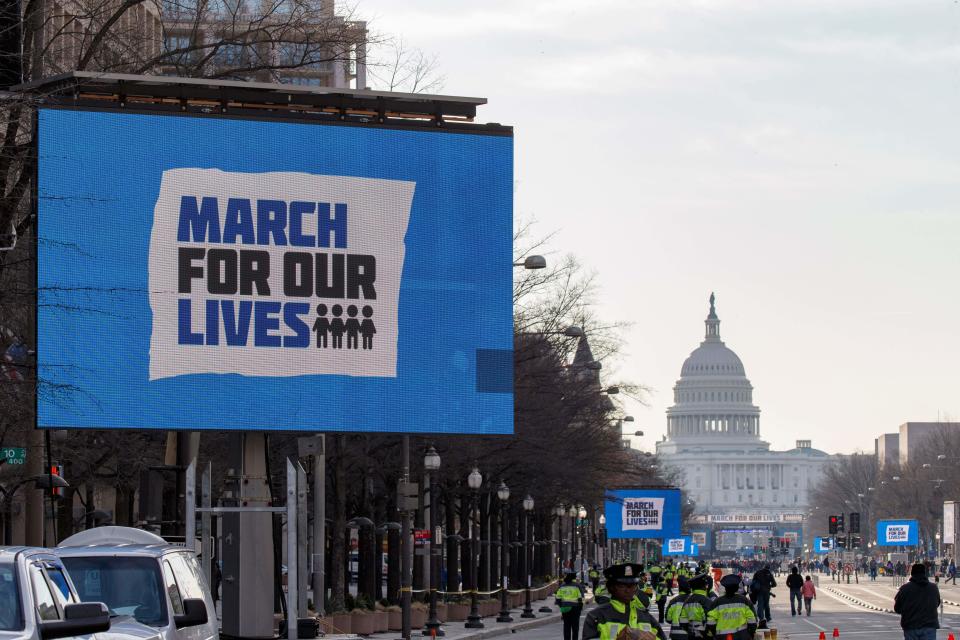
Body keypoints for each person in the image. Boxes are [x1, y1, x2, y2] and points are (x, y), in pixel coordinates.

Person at [583, 563, 667, 640]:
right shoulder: (596, 617)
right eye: (622, 586)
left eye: (632, 586)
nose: (628, 590)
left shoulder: (648, 618)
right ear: (611, 587)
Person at [894, 563, 941, 640]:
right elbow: (937, 603)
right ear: (924, 573)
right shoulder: (933, 588)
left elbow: (897, 608)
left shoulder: (905, 588)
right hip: (929, 626)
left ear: (912, 573)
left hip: (910, 626)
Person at [705, 574, 758, 640]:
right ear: (737, 588)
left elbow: (710, 623)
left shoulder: (717, 602)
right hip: (742, 636)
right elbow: (752, 621)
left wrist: (715, 634)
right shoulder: (744, 601)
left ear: (725, 588)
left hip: (721, 637)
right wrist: (750, 634)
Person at [680, 574, 712, 639]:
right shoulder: (706, 601)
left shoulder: (687, 601)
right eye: (706, 585)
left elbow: (682, 622)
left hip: (691, 635)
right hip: (704, 636)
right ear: (703, 587)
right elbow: (710, 621)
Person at [557, 569, 586, 640]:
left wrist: (561, 606)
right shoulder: (577, 586)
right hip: (575, 609)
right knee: (575, 627)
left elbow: (558, 599)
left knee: (566, 626)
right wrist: (581, 607)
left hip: (565, 608)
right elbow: (581, 598)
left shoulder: (562, 586)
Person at [751, 564, 776, 628]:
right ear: (769, 568)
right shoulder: (769, 573)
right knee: (766, 604)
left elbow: (753, 582)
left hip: (759, 591)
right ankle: (768, 617)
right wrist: (769, 586)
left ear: (763, 567)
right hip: (767, 591)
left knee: (760, 604)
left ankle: (761, 617)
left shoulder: (758, 572)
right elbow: (774, 584)